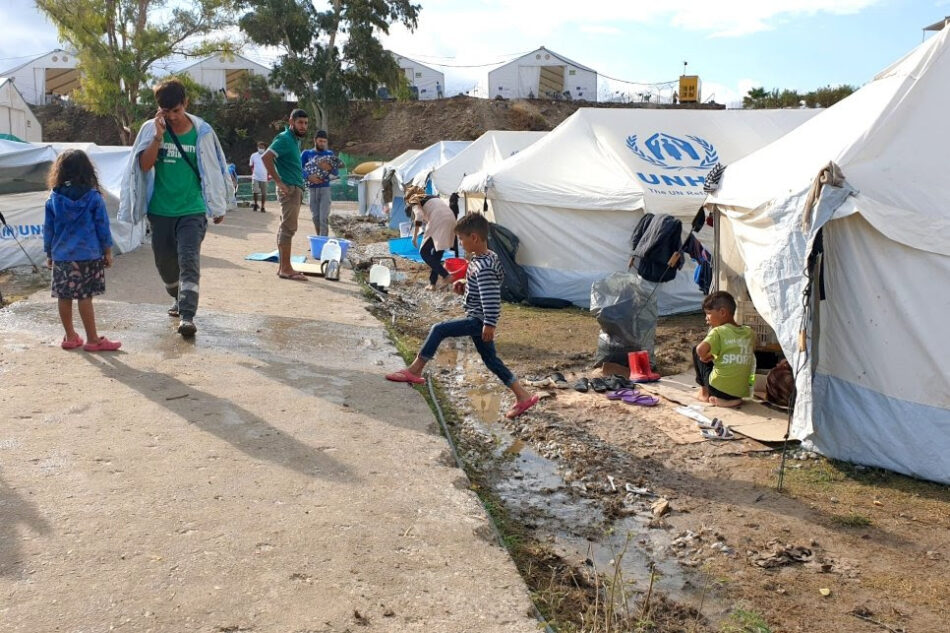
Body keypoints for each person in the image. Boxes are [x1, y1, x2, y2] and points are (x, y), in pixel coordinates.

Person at [386, 213, 539, 419]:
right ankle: (522, 396)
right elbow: (487, 285)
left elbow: (492, 296)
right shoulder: (485, 257)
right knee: (491, 360)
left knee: (439, 329)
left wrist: (489, 324)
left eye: (461, 239)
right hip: (480, 317)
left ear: (474, 238)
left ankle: (415, 370)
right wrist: (466, 286)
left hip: (479, 320)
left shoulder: (483, 266)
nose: (459, 242)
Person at [118, 78, 233, 338]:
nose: (172, 116)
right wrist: (158, 137)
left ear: (186, 104)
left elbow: (216, 168)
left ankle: (188, 316)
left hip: (192, 209)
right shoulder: (151, 129)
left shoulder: (202, 131)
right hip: (160, 212)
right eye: (166, 111)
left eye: (176, 111)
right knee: (165, 266)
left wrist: (218, 205)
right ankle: (176, 297)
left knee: (188, 259)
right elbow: (144, 167)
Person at [44, 149, 121, 352]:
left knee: (64, 295)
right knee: (85, 296)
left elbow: (49, 228)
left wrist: (49, 253)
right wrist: (107, 251)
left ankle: (70, 337)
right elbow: (102, 226)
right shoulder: (93, 197)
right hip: (88, 254)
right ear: (87, 170)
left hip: (61, 255)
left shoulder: (54, 197)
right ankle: (93, 339)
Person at [261, 108, 309, 281]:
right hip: (289, 188)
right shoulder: (284, 139)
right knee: (288, 228)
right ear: (291, 122)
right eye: (300, 123)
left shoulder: (295, 140)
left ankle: (284, 267)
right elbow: (266, 157)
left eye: (305, 123)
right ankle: (286, 268)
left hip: (295, 187)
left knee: (287, 227)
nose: (303, 126)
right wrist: (279, 182)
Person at [693, 291, 755, 408]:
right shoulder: (749, 332)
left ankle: (704, 394)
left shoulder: (718, 331)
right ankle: (733, 399)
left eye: (708, 313)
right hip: (742, 391)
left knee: (695, 351)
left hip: (719, 390)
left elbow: (700, 350)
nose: (706, 318)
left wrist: (704, 356)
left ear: (722, 312)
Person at [406, 186, 456, 291]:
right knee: (437, 254)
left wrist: (414, 237)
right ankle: (432, 284)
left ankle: (446, 275)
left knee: (424, 252)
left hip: (438, 220)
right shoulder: (433, 197)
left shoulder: (414, 199)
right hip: (451, 218)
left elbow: (418, 215)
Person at [300, 130, 341, 237]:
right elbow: (299, 169)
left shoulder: (329, 154)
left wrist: (330, 167)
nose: (322, 143)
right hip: (312, 189)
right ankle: (319, 239)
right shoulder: (306, 154)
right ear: (315, 140)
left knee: (324, 218)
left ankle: (323, 241)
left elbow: (336, 172)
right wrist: (309, 177)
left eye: (324, 141)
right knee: (315, 217)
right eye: (320, 141)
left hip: (325, 188)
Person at [249, 141, 269, 212]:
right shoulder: (253, 155)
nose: (261, 148)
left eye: (262, 147)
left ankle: (263, 207)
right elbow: (251, 165)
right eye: (260, 147)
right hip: (255, 177)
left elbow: (270, 166)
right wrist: (253, 173)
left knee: (264, 193)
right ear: (257, 147)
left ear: (265, 148)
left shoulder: (267, 155)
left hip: (264, 177)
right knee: (255, 191)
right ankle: (255, 204)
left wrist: (269, 175)